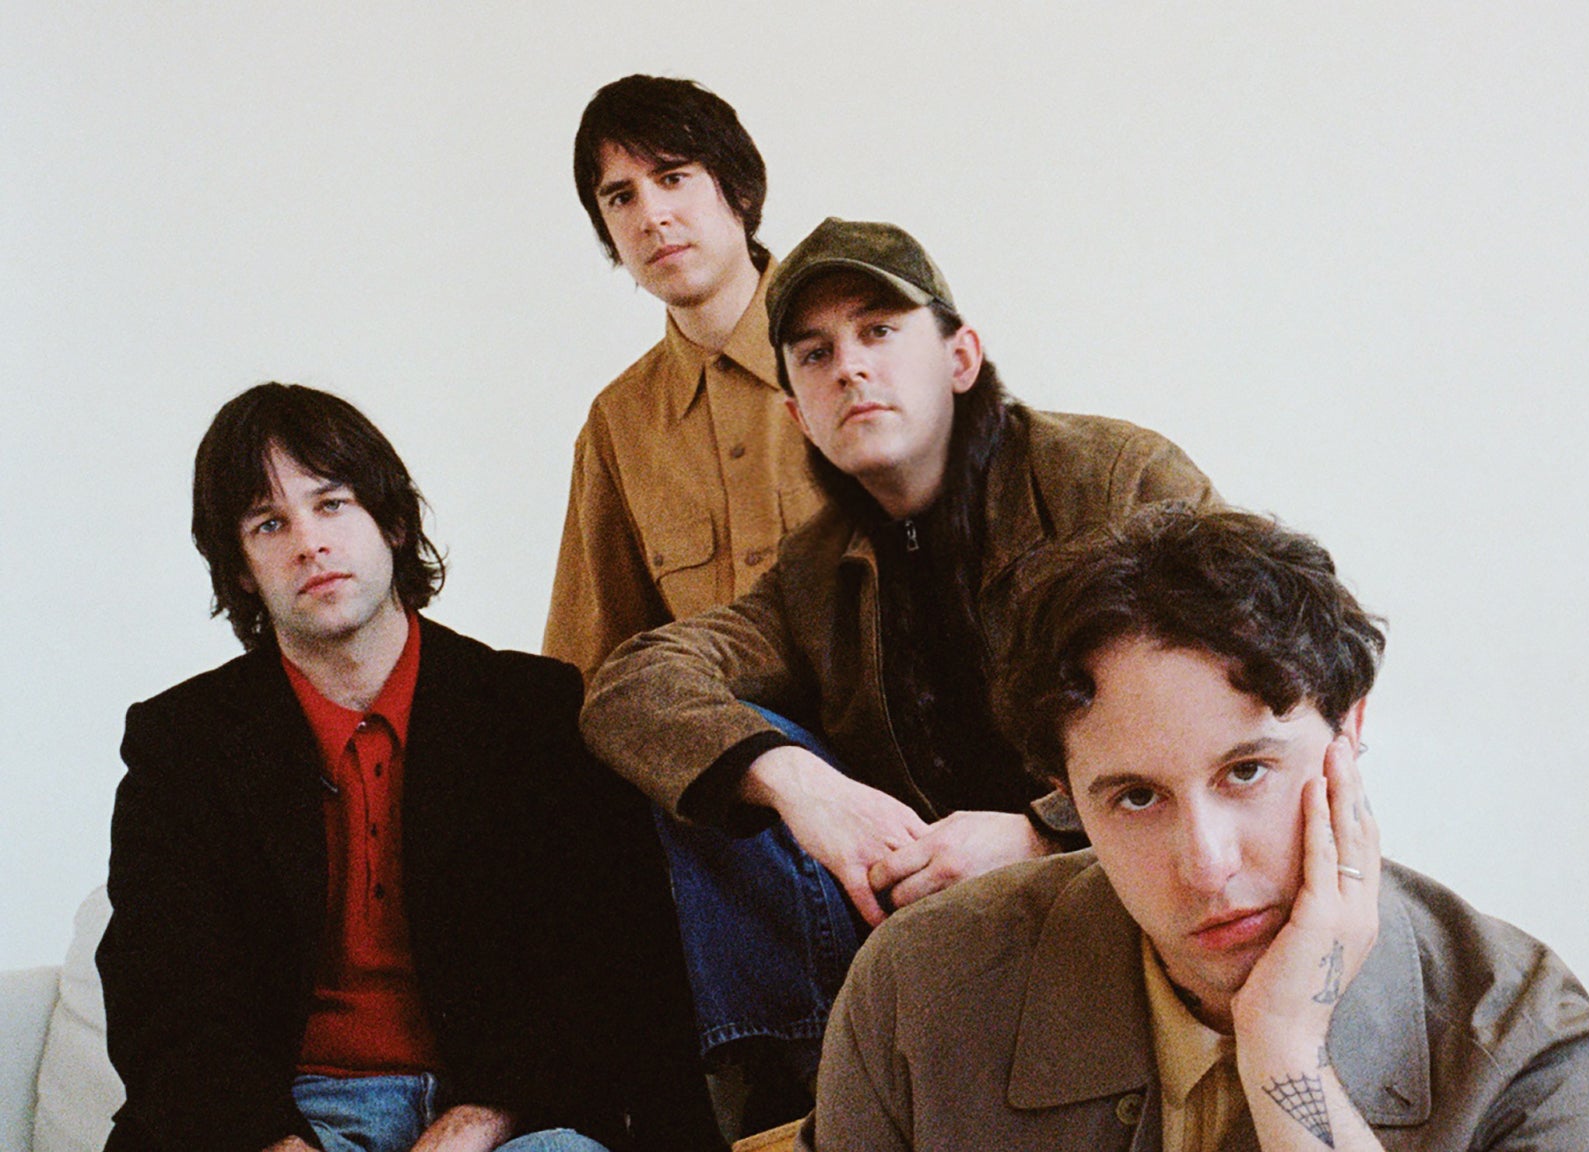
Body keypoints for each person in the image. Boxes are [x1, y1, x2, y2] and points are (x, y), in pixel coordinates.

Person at [579, 218, 1217, 1122]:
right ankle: (801, 1102)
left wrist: (1040, 833)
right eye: (815, 353)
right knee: (711, 768)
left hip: (1133, 892)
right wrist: (798, 783)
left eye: (879, 331)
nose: (849, 367)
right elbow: (635, 681)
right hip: (936, 943)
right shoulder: (814, 573)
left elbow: (1249, 687)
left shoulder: (1113, 480)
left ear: (961, 357)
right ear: (796, 413)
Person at [801, 505, 1589, 1151]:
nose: (1206, 865)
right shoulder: (921, 989)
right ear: (1066, 797)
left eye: (1248, 772)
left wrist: (1287, 1055)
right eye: (1136, 798)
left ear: (1348, 732)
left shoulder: (1529, 1048)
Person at [98, 384, 718, 1152]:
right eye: (269, 523)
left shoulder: (532, 711)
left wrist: (481, 1119)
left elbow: (603, 965)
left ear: (391, 521)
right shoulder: (183, 743)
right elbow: (164, 999)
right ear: (243, 569)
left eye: (332, 504)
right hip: (287, 1119)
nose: (309, 543)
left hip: (504, 1115)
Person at [546, 74, 823, 679]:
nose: (651, 216)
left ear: (740, 189)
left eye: (672, 178)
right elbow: (593, 668)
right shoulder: (619, 425)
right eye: (621, 197)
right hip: (717, 733)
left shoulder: (862, 354)